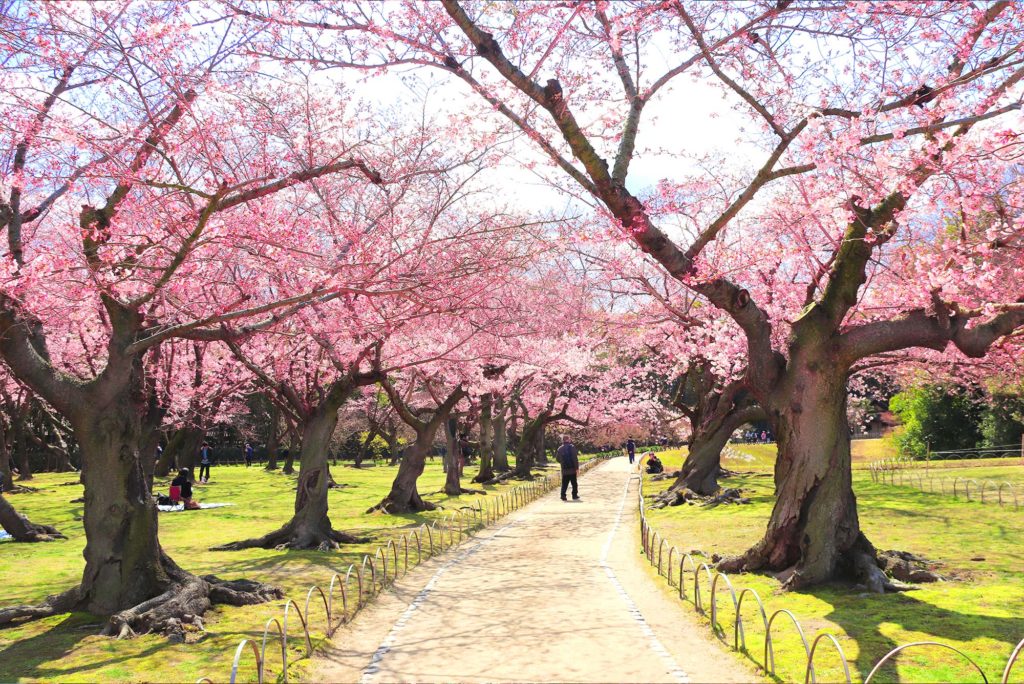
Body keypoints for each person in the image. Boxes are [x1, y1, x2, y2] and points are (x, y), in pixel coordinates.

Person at [555, 434, 580, 501]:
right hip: (572, 469)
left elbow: (557, 459)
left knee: (564, 483)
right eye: (569, 438)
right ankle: (574, 495)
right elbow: (575, 458)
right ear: (568, 440)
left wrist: (562, 463)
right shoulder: (572, 447)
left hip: (564, 469)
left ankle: (563, 496)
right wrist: (577, 468)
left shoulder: (560, 448)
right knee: (574, 483)